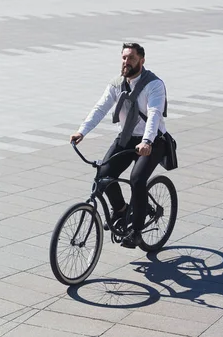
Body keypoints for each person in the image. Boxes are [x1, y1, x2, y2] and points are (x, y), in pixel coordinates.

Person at [69, 42, 169, 249]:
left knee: (137, 180)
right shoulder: (117, 84)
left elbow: (154, 115)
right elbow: (100, 108)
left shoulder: (154, 85)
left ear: (141, 61)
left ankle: (136, 232)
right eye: (124, 58)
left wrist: (147, 141)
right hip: (126, 138)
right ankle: (122, 209)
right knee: (103, 175)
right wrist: (82, 131)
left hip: (152, 140)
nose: (126, 62)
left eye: (131, 58)